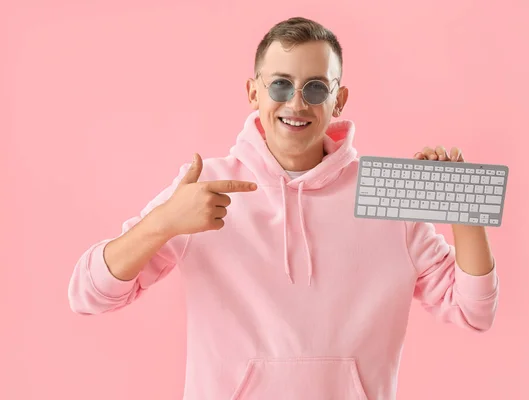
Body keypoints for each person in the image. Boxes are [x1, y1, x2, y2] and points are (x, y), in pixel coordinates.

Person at [68, 16, 499, 400]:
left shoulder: (387, 195)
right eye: (280, 84)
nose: (296, 103)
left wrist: (466, 215)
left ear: (339, 99)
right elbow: (88, 295)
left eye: (315, 87)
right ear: (253, 92)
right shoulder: (203, 189)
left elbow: (473, 311)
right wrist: (162, 223)